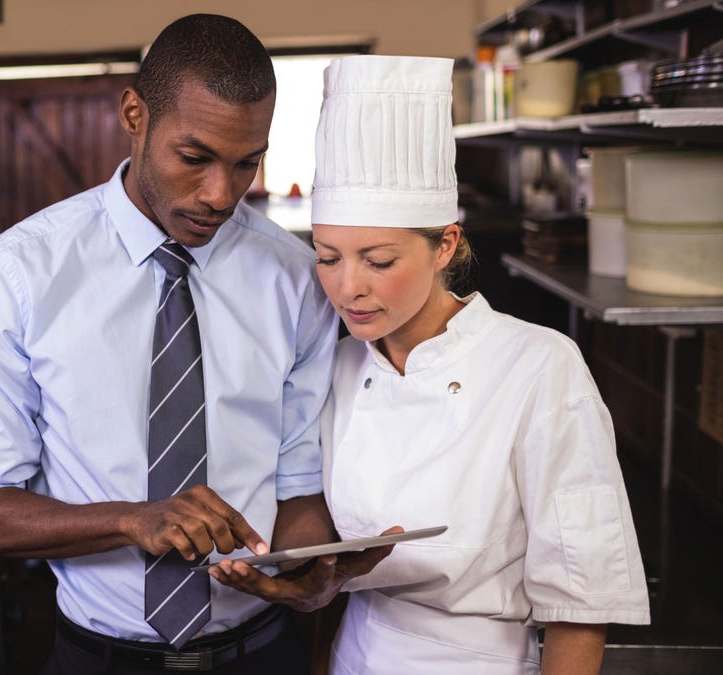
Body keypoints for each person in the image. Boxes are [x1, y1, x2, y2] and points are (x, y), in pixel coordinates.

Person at [0, 14, 395, 675]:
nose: (220, 194)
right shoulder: (22, 272)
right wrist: (134, 519)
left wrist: (311, 570)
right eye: (195, 158)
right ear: (134, 113)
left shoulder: (294, 278)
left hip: (262, 654)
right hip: (96, 658)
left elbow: (297, 484)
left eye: (247, 163)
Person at [211, 54, 651, 674]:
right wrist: (304, 585)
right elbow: (329, 571)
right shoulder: (330, 368)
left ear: (444, 243)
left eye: (379, 260)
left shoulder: (539, 366)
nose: (348, 288)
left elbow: (581, 599)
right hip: (354, 656)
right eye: (329, 256)